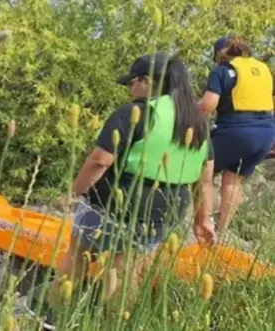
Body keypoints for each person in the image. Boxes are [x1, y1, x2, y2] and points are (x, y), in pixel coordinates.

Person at [46, 53, 216, 321]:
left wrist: (74, 192)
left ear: (148, 82)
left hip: (116, 203)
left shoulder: (134, 113)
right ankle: (117, 322)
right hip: (165, 212)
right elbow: (205, 179)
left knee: (77, 254)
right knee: (125, 267)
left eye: (131, 83)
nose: (129, 90)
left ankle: (51, 315)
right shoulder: (198, 122)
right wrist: (202, 220)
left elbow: (100, 161)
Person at [199, 36, 275, 232]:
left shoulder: (223, 71)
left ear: (219, 55)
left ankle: (204, 224)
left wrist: (190, 117)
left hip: (237, 131)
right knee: (233, 180)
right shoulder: (263, 70)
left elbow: (208, 105)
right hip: (266, 133)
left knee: (202, 172)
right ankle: (222, 230)